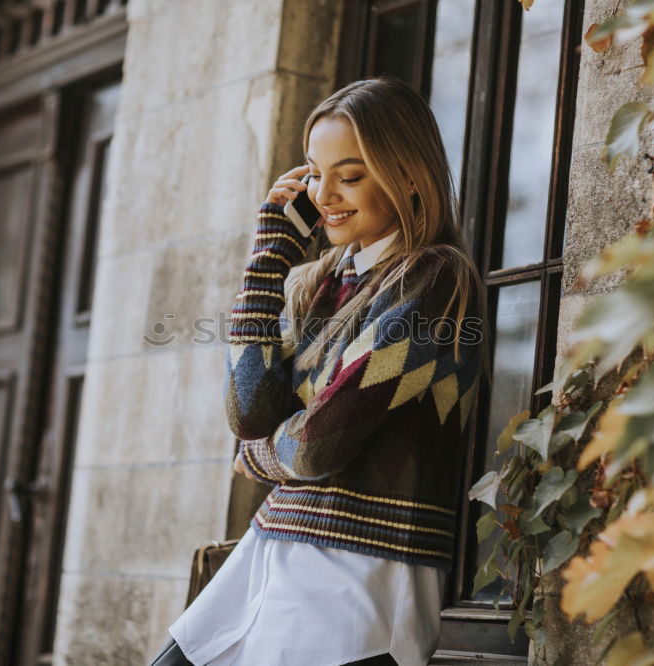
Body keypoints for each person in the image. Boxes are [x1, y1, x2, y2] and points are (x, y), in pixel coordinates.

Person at [149, 76, 487, 666]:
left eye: (349, 175)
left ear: (408, 176)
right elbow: (249, 411)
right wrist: (267, 259)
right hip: (274, 547)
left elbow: (314, 447)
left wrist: (258, 458)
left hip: (361, 569)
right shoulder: (321, 284)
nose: (325, 194)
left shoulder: (434, 280)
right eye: (314, 173)